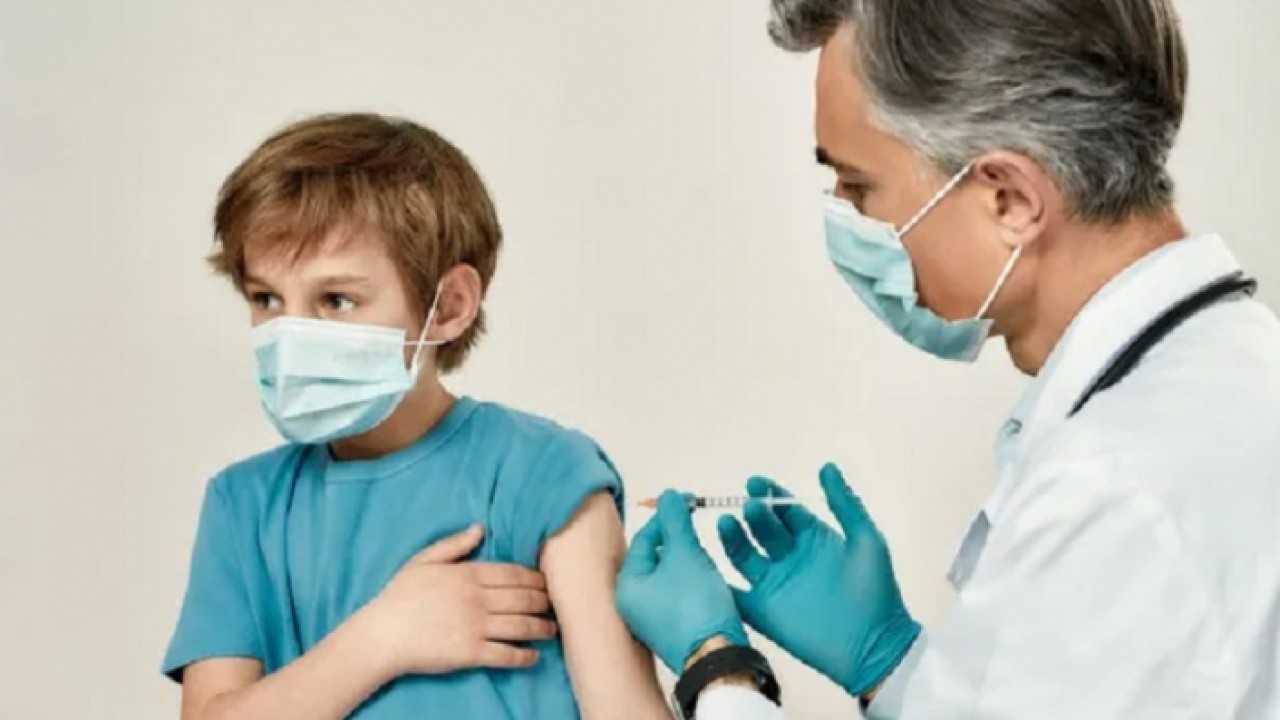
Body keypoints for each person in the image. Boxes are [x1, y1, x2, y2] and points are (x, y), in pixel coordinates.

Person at [616, 1, 1280, 718]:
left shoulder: (1116, 494)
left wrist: (716, 669)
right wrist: (889, 662)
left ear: (1010, 199)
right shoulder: (1225, 372)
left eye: (859, 186)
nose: (845, 217)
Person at [161, 113, 671, 719]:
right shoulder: (244, 505)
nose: (291, 336)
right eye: (266, 298)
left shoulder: (544, 474)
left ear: (449, 307)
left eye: (337, 299)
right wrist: (383, 637)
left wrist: (717, 662)